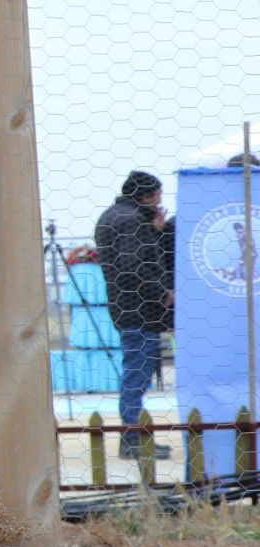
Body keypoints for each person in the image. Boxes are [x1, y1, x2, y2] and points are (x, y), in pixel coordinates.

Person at [95, 168, 176, 454]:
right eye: (157, 196)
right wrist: (163, 294)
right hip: (139, 310)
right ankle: (132, 439)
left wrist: (154, 231)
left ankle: (133, 436)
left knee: (136, 372)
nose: (160, 202)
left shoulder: (113, 216)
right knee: (137, 375)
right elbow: (133, 266)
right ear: (145, 196)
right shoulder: (132, 221)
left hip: (124, 307)